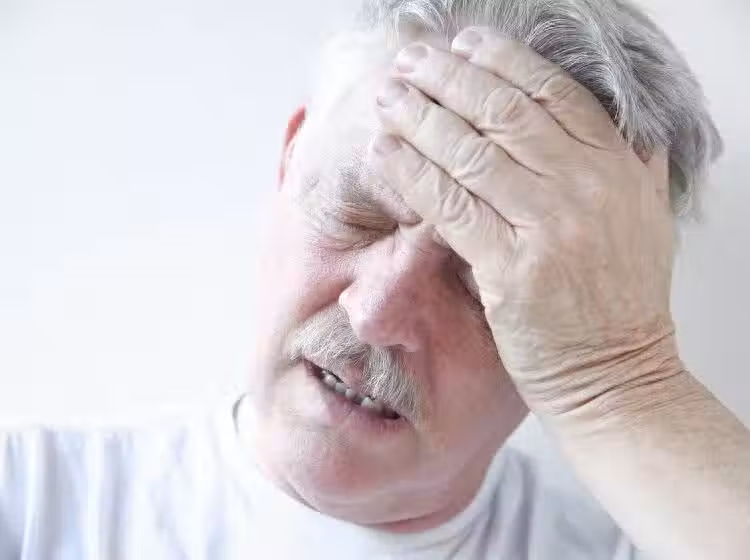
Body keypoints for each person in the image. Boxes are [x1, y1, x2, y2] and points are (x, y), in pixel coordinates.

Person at [2, 0, 749, 558]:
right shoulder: (31, 503)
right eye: (357, 213)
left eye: (485, 281)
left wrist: (623, 377)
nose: (376, 313)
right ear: (291, 158)